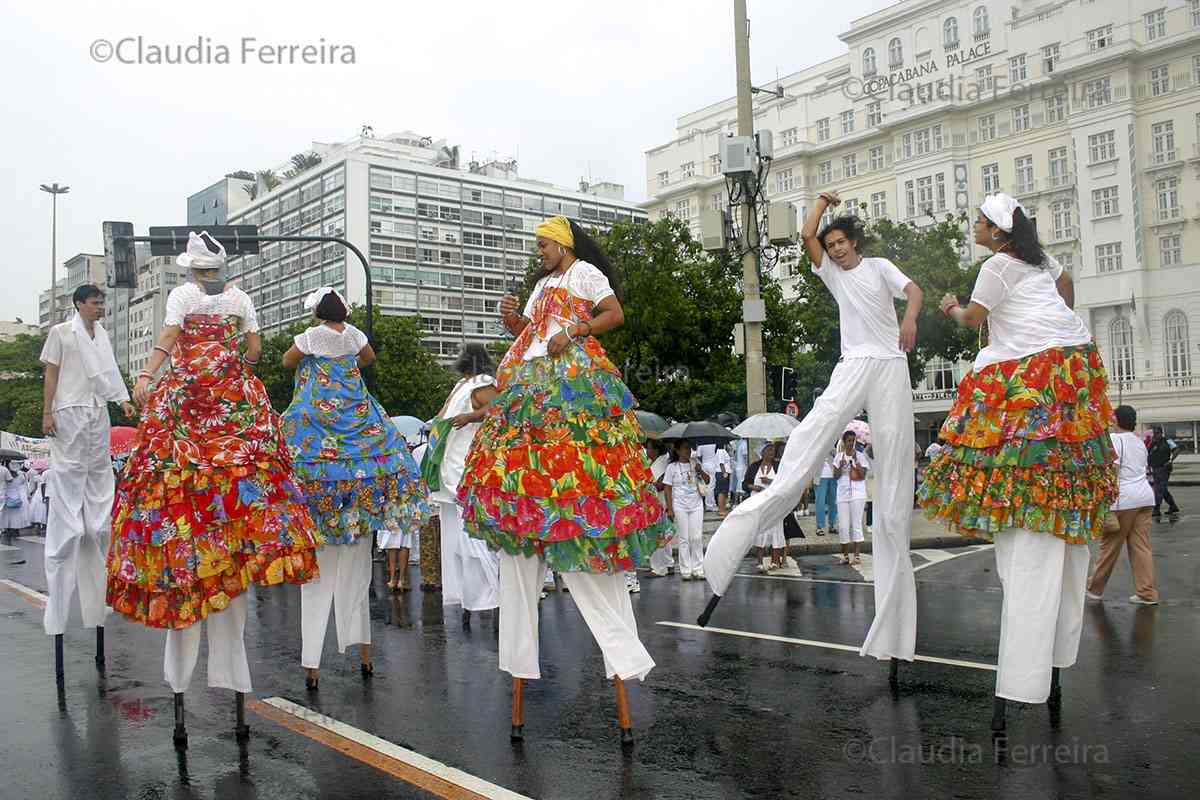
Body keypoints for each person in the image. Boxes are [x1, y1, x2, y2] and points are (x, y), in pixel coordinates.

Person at [456, 215, 668, 744]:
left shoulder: (587, 275)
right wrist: (514, 321)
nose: (540, 252)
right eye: (538, 246)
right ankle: (522, 683)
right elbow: (530, 336)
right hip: (532, 383)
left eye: (545, 244)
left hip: (575, 380)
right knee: (524, 482)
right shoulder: (541, 286)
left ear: (563, 244)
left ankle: (618, 666)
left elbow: (613, 315)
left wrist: (574, 330)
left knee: (579, 471)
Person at [107, 232, 320, 746]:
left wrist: (147, 375)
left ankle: (182, 674)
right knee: (249, 483)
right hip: (235, 401)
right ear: (220, 268)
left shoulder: (182, 297)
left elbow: (165, 342)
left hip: (185, 405)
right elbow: (254, 350)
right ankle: (236, 680)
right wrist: (229, 363)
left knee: (174, 483)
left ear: (191, 269)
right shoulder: (242, 298)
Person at [704, 190, 923, 684]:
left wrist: (909, 319)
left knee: (892, 492)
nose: (837, 250)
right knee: (812, 433)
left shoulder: (880, 267)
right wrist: (820, 205)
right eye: (832, 245)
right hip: (853, 365)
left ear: (856, 242)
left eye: (842, 242)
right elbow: (806, 235)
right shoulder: (833, 274)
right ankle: (751, 521)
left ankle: (894, 629)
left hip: (889, 365)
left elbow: (915, 291)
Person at [922, 193, 1116, 732]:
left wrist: (949, 308)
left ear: (1000, 231)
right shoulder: (1043, 262)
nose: (976, 228)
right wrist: (1051, 322)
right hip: (1071, 362)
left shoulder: (996, 267)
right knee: (1060, 449)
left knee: (1009, 449)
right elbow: (1068, 294)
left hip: (1025, 368)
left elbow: (972, 320)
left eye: (981, 223)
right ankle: (1050, 671)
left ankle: (1020, 686)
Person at [280, 287, 428, 690]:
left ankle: (313, 664)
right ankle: (363, 653)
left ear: (318, 314)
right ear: (343, 311)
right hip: (358, 440)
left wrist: (313, 355)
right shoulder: (355, 336)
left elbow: (286, 360)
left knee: (318, 576)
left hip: (317, 442)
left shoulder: (310, 339)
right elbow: (369, 359)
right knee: (357, 574)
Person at [39, 284, 136, 683]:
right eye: (95, 301)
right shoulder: (62, 333)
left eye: (102, 302)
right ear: (79, 303)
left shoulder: (103, 335)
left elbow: (110, 372)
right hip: (68, 410)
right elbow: (52, 372)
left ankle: (96, 523)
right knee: (68, 480)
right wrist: (47, 412)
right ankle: (71, 527)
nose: (100, 306)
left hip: (96, 413)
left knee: (99, 485)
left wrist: (124, 400)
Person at [429, 343, 502, 627]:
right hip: (453, 469)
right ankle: (471, 598)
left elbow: (499, 405)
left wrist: (471, 416)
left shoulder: (483, 383)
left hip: (469, 469)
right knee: (460, 542)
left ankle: (490, 598)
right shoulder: (464, 384)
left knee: (474, 539)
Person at [1086, 405, 1158, 605]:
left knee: (1109, 547)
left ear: (1116, 420)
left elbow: (1112, 473)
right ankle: (1147, 592)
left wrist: (1104, 501)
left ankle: (1094, 589)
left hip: (1124, 499)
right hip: (1145, 498)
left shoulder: (1115, 440)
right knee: (1141, 547)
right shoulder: (1139, 441)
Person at [662, 439, 709, 580]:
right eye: (685, 448)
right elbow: (667, 488)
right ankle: (686, 570)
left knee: (696, 537)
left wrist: (700, 471)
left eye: (689, 448)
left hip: (696, 504)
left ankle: (698, 568)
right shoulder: (672, 467)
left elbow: (707, 480)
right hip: (679, 505)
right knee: (684, 538)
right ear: (677, 450)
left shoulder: (695, 463)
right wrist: (670, 508)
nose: (688, 451)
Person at [833, 430, 870, 565]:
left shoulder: (860, 456)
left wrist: (856, 462)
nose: (851, 443)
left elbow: (863, 475)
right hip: (842, 493)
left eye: (853, 441)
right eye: (848, 440)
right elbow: (835, 476)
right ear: (844, 441)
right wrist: (841, 466)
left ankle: (857, 555)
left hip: (858, 494)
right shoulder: (838, 457)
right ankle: (845, 555)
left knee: (856, 524)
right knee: (843, 526)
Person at [749, 444, 785, 572]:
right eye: (769, 450)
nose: (771, 453)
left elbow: (783, 483)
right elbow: (745, 483)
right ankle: (759, 561)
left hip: (774, 503)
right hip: (759, 502)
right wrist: (753, 487)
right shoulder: (754, 466)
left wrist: (770, 482)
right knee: (760, 530)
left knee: (776, 530)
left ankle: (775, 561)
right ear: (762, 452)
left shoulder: (778, 466)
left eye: (773, 451)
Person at [645, 439, 675, 578]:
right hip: (656, 502)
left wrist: (648, 485)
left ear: (656, 449)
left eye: (649, 448)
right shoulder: (655, 461)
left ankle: (658, 568)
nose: (647, 451)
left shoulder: (663, 462)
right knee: (664, 533)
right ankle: (668, 563)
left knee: (657, 535)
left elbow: (662, 483)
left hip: (659, 502)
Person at [1147, 427, 1180, 519]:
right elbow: (1148, 453)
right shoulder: (1153, 442)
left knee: (1159, 488)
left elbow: (1176, 450)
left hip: (1164, 468)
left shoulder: (1168, 441)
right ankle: (1173, 506)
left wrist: (1171, 460)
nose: (1155, 435)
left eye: (1157, 433)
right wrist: (1148, 466)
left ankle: (1156, 509)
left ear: (1161, 433)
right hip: (1155, 469)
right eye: (1154, 433)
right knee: (1162, 489)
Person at [813, 449, 838, 536]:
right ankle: (820, 526)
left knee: (834, 502)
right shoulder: (815, 446)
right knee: (820, 502)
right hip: (819, 476)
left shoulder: (833, 445)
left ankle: (832, 525)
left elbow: (837, 457)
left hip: (833, 476)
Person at [714, 444, 732, 516]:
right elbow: (721, 463)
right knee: (722, 491)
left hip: (723, 472)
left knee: (724, 491)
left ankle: (722, 508)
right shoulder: (721, 450)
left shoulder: (722, 450)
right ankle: (721, 510)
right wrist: (724, 473)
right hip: (722, 473)